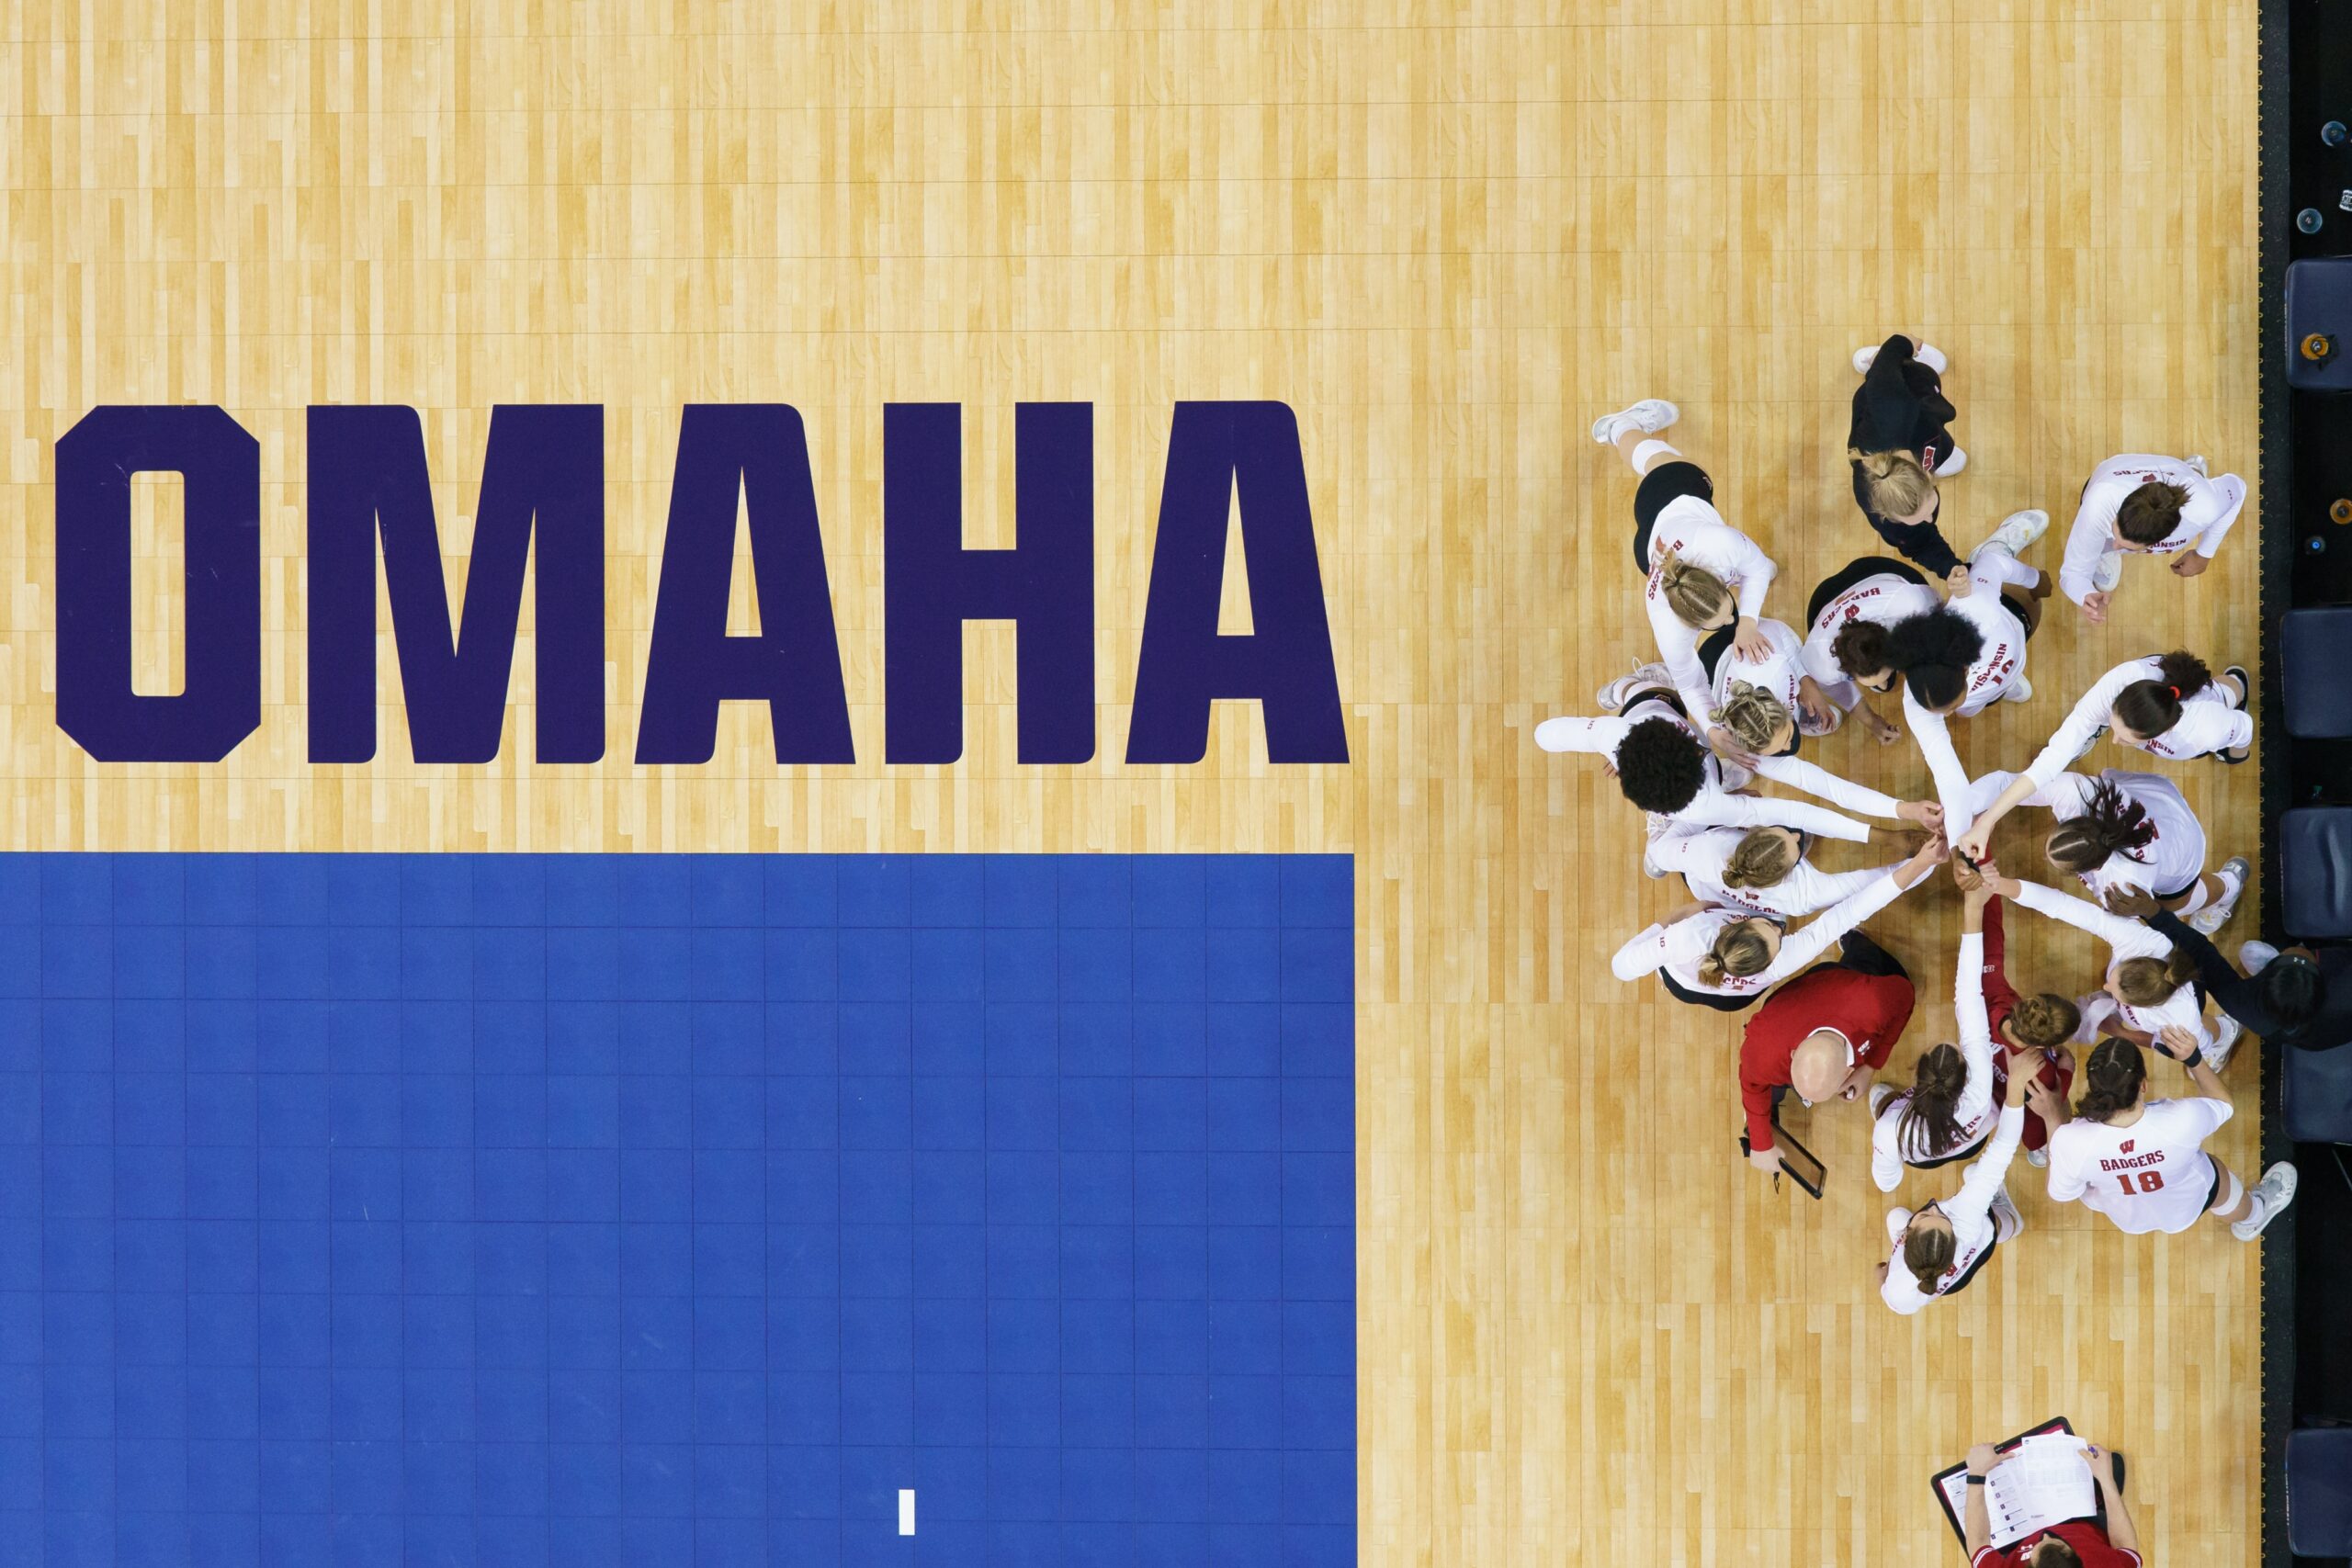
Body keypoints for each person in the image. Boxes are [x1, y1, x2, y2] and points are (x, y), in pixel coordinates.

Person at [1534, 667, 1942, 861]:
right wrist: (1888, 832)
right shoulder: (1708, 804)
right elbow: (1802, 809)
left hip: (1653, 713)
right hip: (1687, 779)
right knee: (1658, 862)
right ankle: (1679, 821)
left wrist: (1616, 748)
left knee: (1637, 693)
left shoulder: (1617, 732)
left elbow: (1544, 734)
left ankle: (1629, 682)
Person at [1590, 399, 1779, 753]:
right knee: (1648, 460)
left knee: (1660, 462)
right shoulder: (1668, 626)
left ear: (1719, 580)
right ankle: (1622, 427)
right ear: (1689, 624)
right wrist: (1709, 728)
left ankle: (1622, 428)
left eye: (1728, 606)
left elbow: (1754, 566)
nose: (1730, 618)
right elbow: (1690, 686)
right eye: (1724, 617)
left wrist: (1748, 622)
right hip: (1651, 528)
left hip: (1675, 488)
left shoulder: (1719, 543)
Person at [1953, 652, 2253, 862]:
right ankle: (2231, 683)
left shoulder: (2202, 731)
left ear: (2157, 735)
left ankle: (2237, 684)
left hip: (2216, 720)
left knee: (2225, 693)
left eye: (2125, 737)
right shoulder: (2120, 682)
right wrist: (1987, 821)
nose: (2115, 740)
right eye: (2112, 726)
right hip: (2171, 691)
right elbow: (2049, 761)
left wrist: (2238, 749)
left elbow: (2244, 728)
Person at [1614, 836, 1945, 1009]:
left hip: (1692, 948)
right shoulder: (1784, 958)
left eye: (1768, 928)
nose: (1779, 927)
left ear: (1733, 927)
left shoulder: (1691, 933)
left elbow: (1622, 966)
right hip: (1690, 985)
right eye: (1777, 937)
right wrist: (1920, 865)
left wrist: (1689, 911)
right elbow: (1851, 910)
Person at [1973, 868, 2243, 1068]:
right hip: (2165, 960)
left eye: (2113, 989)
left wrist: (2123, 1032)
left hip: (2188, 1014)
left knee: (2208, 1040)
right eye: (2114, 979)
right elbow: (2061, 905)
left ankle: (2225, 1034)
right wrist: (2002, 884)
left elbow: (2185, 1048)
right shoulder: (2133, 940)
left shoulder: (2180, 1019)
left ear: (2141, 1004)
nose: (2103, 986)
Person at [2041, 1031, 2296, 1241]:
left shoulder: (2069, 1141)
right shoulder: (2182, 1119)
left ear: (2093, 1088)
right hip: (2190, 1201)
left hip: (2128, 1215)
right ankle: (2254, 1217)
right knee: (2215, 1169)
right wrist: (2194, 1059)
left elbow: (2062, 1193)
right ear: (2143, 1084)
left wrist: (2053, 1119)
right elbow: (2224, 1104)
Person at [1959, 769, 2245, 932]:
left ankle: (2229, 888)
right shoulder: (2074, 791)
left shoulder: (2123, 883)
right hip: (2158, 802)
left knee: (2175, 902)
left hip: (2182, 850)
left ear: (2089, 869)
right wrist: (1964, 814)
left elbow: (2134, 927)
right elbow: (2005, 783)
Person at [1740, 925, 1919, 1174]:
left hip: (1846, 979)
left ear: (1848, 1073)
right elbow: (1752, 1084)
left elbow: (1905, 995)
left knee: (1875, 963)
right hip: (1796, 999)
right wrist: (1760, 1143)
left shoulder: (1873, 1001)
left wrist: (1869, 1067)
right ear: (1793, 1055)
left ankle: (1855, 941)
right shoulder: (1764, 1047)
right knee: (1767, 1092)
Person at [1877, 1041, 2037, 1314]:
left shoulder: (1900, 1294)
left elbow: (1893, 1296)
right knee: (1990, 1222)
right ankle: (2010, 1222)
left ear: (1907, 1239)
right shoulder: (1966, 1218)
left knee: (1894, 1217)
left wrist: (1883, 1280)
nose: (1933, 1206)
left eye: (1926, 1215)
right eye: (1940, 1214)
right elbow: (2002, 1149)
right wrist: (2016, 1087)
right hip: (1979, 1242)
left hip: (1950, 1270)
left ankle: (2005, 1222)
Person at [1869, 871, 2002, 1190]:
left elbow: (1887, 1183)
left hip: (1927, 1151)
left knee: (1877, 1097)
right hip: (1974, 1139)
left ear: (1919, 1076)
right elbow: (1969, 994)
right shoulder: (1980, 1087)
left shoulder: (1892, 1129)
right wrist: (1972, 912)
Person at [2101, 893, 2352, 1053]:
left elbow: (2201, 952)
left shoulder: (2242, 1003)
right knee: (2252, 952)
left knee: (2251, 951)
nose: (2296, 949)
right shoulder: (2249, 1006)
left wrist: (2154, 912)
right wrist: (2152, 912)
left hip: (2320, 1026)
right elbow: (2199, 950)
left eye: (2293, 959)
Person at [2059, 452, 2249, 624]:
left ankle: (2192, 474)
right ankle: (2190, 475)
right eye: (2114, 533)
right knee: (2101, 543)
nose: (2114, 547)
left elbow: (2238, 488)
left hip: (2185, 481)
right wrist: (2085, 594)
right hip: (2116, 470)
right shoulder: (2099, 504)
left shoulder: (2206, 507)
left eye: (2127, 547)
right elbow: (2073, 573)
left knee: (2198, 487)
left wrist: (2204, 554)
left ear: (2161, 539)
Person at [1848, 334, 1969, 581]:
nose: (1929, 519)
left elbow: (1883, 373)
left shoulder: (1890, 411)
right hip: (1923, 434)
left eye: (1925, 512)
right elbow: (1920, 543)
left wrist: (1904, 345)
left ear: (1925, 475)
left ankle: (1873, 358)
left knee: (1909, 372)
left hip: (1909, 387)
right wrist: (1949, 567)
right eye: (1924, 516)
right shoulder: (1885, 518)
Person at [1800, 556, 1940, 743]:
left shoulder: (1911, 604)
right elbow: (1839, 689)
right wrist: (1871, 721)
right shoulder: (1820, 662)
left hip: (1876, 573)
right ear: (1846, 671)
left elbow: (1940, 608)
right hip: (1826, 599)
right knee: (1885, 685)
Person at [1646, 823, 1891, 920]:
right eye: (1795, 846)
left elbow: (1657, 852)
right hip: (1758, 914)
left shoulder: (1709, 846)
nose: (1796, 836)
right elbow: (1877, 880)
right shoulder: (1804, 895)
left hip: (1705, 886)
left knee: (1662, 855)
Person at [1962, 1439, 2140, 1566]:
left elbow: (1978, 1542)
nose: (2047, 1534)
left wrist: (1977, 1473)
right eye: (2061, 1543)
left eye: (2039, 1547)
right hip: (2086, 1525)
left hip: (2022, 1534)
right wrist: (2106, 1479)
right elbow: (2127, 1548)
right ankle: (2100, 1496)